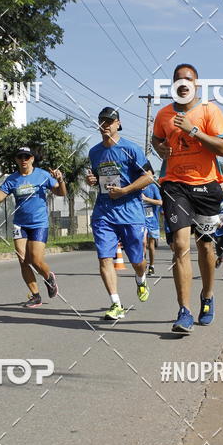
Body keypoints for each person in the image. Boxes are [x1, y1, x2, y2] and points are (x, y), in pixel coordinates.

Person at [152, 63, 223, 333]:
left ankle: (207, 297)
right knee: (180, 246)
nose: (183, 83)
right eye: (178, 80)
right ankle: (183, 311)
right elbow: (156, 139)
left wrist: (193, 130)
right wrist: (160, 147)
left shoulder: (209, 110)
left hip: (206, 186)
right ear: (172, 84)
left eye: (188, 79)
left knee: (206, 247)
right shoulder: (163, 114)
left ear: (196, 84)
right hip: (175, 185)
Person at [86, 107, 153, 320]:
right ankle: (116, 304)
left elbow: (149, 177)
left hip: (130, 212)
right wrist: (93, 180)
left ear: (118, 124)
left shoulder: (131, 149)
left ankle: (141, 278)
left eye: (109, 121)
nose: (105, 125)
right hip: (104, 212)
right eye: (101, 121)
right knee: (104, 258)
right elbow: (99, 176)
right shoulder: (94, 152)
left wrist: (125, 190)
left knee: (136, 260)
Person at [0, 146, 66, 307]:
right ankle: (36, 295)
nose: (23, 160)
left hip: (39, 223)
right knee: (23, 260)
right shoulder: (12, 179)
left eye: (27, 157)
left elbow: (61, 193)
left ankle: (48, 277)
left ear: (32, 159)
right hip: (20, 224)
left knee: (36, 260)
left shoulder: (42, 175)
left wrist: (61, 180)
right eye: (20, 157)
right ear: (16, 160)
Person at [142, 177, 163, 275]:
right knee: (142, 243)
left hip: (152, 221)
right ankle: (143, 264)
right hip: (140, 220)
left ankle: (152, 266)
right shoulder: (136, 187)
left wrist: (146, 199)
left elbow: (160, 202)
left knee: (151, 245)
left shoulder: (153, 187)